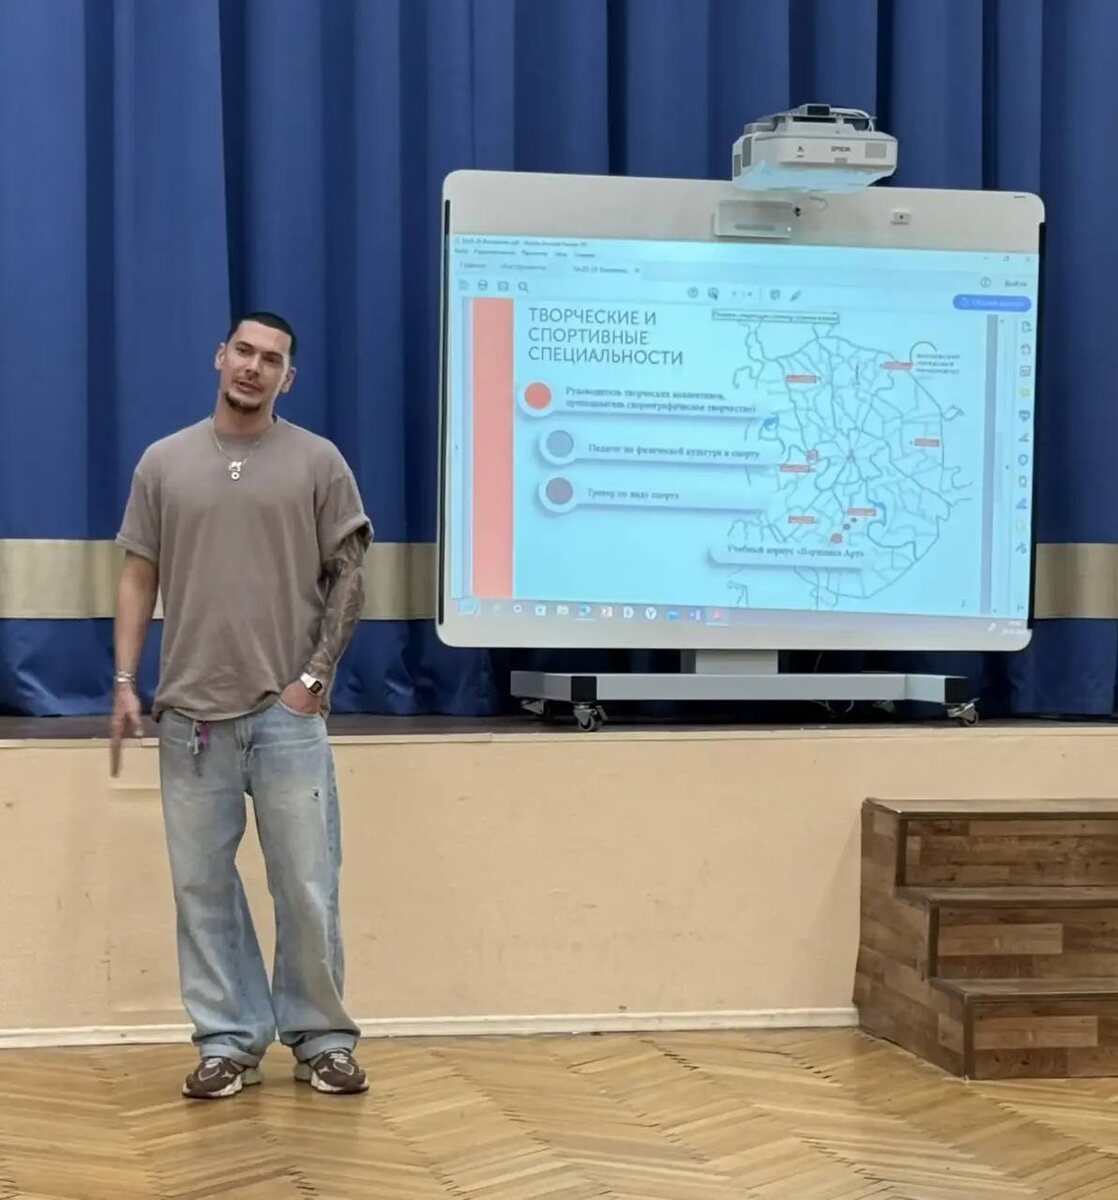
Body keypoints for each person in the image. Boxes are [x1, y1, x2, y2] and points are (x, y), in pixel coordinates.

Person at [110, 312, 371, 1099]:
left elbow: (350, 575)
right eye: (244, 352)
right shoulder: (163, 462)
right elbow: (138, 575)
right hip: (189, 716)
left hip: (286, 716)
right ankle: (227, 1041)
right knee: (202, 892)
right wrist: (124, 682)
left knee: (307, 886)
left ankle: (322, 1039)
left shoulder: (318, 462)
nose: (254, 367)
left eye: (271, 360)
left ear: (288, 378)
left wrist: (312, 682)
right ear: (220, 356)